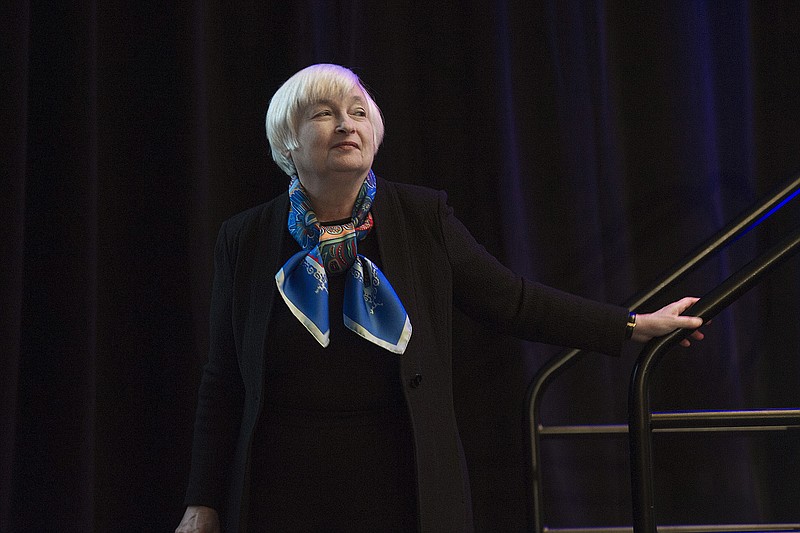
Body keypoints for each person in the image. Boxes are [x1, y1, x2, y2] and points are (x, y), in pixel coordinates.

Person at [175, 63, 704, 533]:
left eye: (358, 111)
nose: (345, 124)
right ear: (288, 141)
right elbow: (222, 381)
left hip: (400, 479)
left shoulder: (423, 218)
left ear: (375, 134)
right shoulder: (244, 238)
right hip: (281, 487)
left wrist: (630, 325)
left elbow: (513, 301)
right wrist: (202, 501)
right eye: (323, 113)